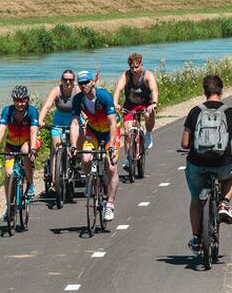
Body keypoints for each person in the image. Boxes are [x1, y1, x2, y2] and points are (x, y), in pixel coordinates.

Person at [180, 74, 232, 253]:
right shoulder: (230, 112)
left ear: (204, 92)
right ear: (221, 90)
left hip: (197, 163)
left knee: (196, 198)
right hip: (222, 163)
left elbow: (184, 144)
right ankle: (224, 203)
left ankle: (196, 239)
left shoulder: (195, 111)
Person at [69, 69, 120, 222]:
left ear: (93, 82)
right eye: (81, 83)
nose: (83, 85)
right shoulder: (78, 99)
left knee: (111, 167)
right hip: (93, 131)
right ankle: (90, 179)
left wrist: (111, 144)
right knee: (85, 158)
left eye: (86, 82)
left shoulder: (104, 96)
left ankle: (110, 204)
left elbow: (112, 123)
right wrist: (73, 145)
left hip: (110, 131)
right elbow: (75, 122)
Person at [0, 85, 40, 201]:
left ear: (27, 100)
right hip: (11, 146)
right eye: (17, 101)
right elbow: (1, 130)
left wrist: (33, 149)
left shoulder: (32, 111)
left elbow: (33, 132)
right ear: (13, 100)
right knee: (8, 175)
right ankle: (9, 206)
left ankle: (30, 183)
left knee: (25, 151)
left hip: (30, 142)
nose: (20, 104)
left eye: (23, 100)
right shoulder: (7, 111)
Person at [38, 69, 78, 189]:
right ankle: (56, 180)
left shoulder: (77, 91)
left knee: (76, 144)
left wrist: (86, 119)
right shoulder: (56, 90)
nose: (68, 82)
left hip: (74, 121)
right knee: (56, 149)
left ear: (74, 81)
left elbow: (85, 106)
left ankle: (76, 160)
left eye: (70, 80)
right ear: (61, 80)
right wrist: (40, 120)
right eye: (65, 80)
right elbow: (46, 106)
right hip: (58, 122)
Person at [112, 52, 158, 150]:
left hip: (145, 104)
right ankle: (129, 158)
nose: (134, 70)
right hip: (130, 105)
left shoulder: (147, 76)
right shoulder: (126, 75)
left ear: (141, 65)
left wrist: (154, 104)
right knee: (128, 132)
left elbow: (154, 90)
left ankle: (148, 134)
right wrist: (115, 103)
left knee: (150, 114)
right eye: (131, 67)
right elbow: (118, 90)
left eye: (136, 67)